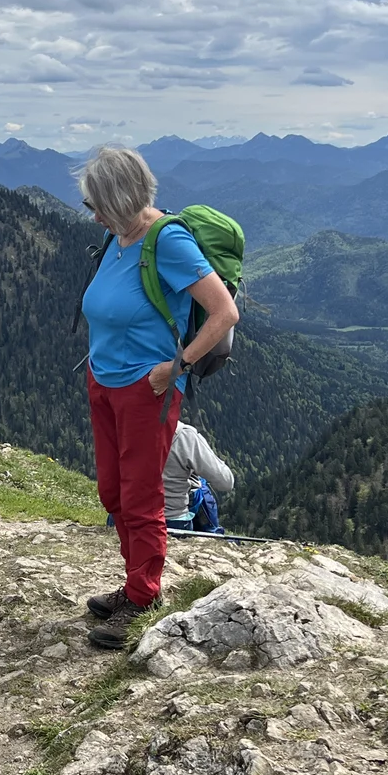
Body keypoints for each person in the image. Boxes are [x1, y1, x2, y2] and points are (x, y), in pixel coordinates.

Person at [75, 145, 241, 650]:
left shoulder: (167, 241)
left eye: (98, 205)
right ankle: (133, 583)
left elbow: (224, 313)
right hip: (104, 381)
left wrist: (177, 368)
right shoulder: (117, 236)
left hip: (147, 390)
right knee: (113, 493)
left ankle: (143, 597)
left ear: (124, 199)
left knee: (143, 497)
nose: (95, 215)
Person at [164, 421, 234, 531]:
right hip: (173, 519)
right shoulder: (184, 435)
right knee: (202, 487)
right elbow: (226, 482)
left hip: (133, 515)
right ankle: (212, 532)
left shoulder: (128, 428)